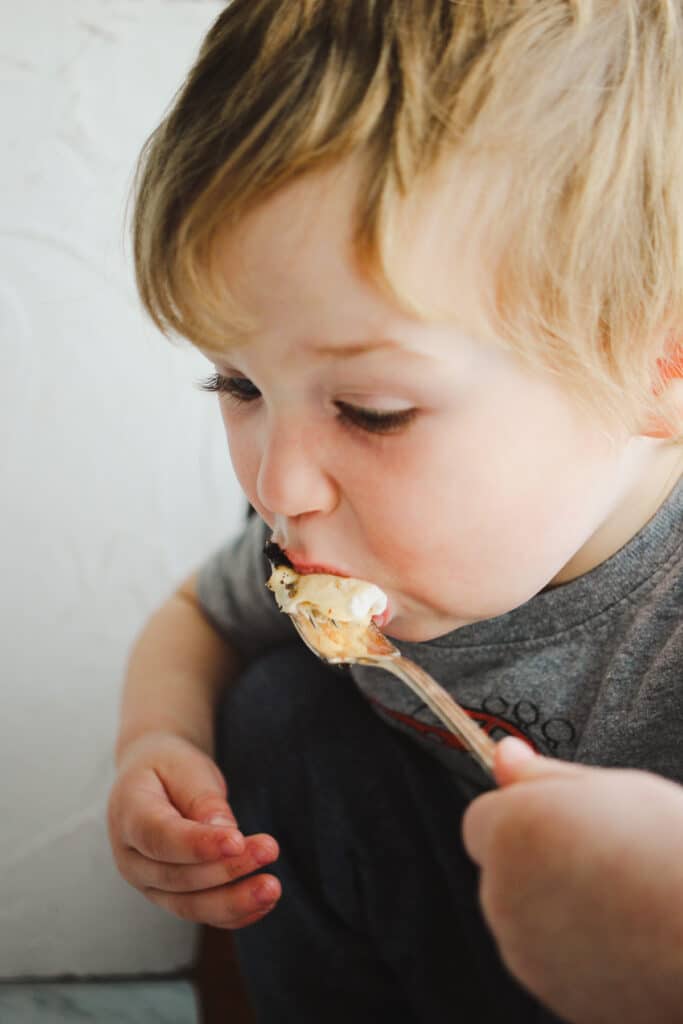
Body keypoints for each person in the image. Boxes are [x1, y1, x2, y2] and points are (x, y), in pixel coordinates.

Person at [107, 2, 683, 1021]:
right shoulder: (318, 542)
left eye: (372, 412)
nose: (278, 487)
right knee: (275, 711)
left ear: (655, 365)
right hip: (453, 932)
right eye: (236, 387)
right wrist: (157, 740)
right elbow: (201, 612)